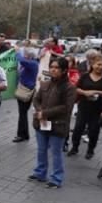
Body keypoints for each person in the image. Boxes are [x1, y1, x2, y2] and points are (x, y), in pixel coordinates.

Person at [29, 57, 77, 188]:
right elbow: (36, 100)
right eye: (52, 67)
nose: (53, 70)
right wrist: (40, 112)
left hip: (58, 124)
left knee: (56, 153)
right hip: (42, 123)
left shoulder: (69, 88)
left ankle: (56, 178)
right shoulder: (45, 84)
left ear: (64, 70)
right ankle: (40, 173)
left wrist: (44, 113)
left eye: (56, 68)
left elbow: (66, 107)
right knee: (41, 150)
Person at [68, 55, 102, 160]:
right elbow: (77, 88)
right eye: (98, 64)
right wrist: (85, 92)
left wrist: (96, 92)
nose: (100, 67)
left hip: (98, 108)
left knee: (94, 130)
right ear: (93, 65)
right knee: (78, 128)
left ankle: (90, 150)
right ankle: (74, 147)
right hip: (84, 106)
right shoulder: (84, 76)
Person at [13, 46, 39, 143]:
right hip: (26, 89)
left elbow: (21, 60)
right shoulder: (33, 63)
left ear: (28, 55)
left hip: (26, 90)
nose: (24, 55)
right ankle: (25, 134)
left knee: (22, 113)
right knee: (22, 113)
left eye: (25, 54)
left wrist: (17, 52)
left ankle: (21, 135)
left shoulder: (31, 63)